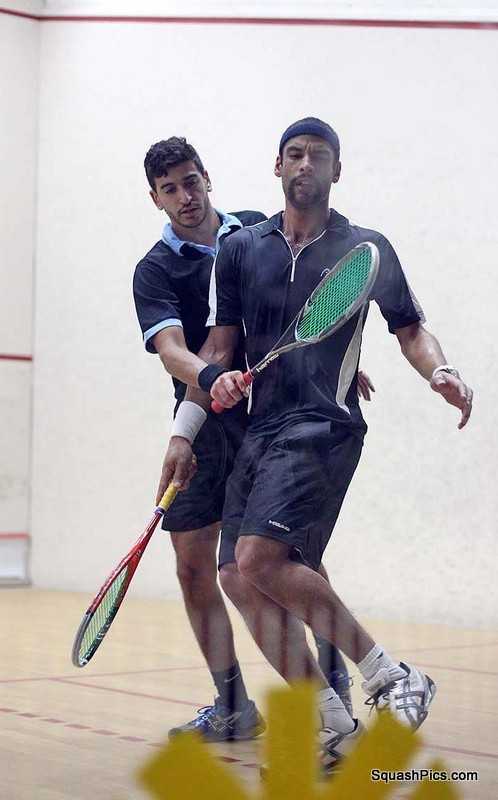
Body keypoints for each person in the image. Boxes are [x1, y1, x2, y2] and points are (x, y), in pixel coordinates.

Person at [177, 117, 473, 771]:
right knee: (235, 576)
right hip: (261, 430)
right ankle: (330, 723)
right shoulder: (240, 250)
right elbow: (220, 348)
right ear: (277, 167)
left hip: (324, 425)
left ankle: (391, 676)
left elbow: (410, 330)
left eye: (318, 155)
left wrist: (441, 371)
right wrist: (195, 414)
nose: (305, 163)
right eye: (294, 154)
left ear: (337, 170)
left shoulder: (365, 249)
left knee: (259, 558)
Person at [132, 135, 364, 742]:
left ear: (207, 177)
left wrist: (336, 361)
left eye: (191, 181)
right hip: (205, 421)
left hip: (271, 418)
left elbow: (303, 312)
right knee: (194, 568)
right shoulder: (154, 271)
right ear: (156, 199)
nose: (185, 196)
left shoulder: (260, 232)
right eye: (170, 189)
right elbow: (173, 351)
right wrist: (196, 410)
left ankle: (335, 689)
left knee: (287, 559)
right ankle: (233, 705)